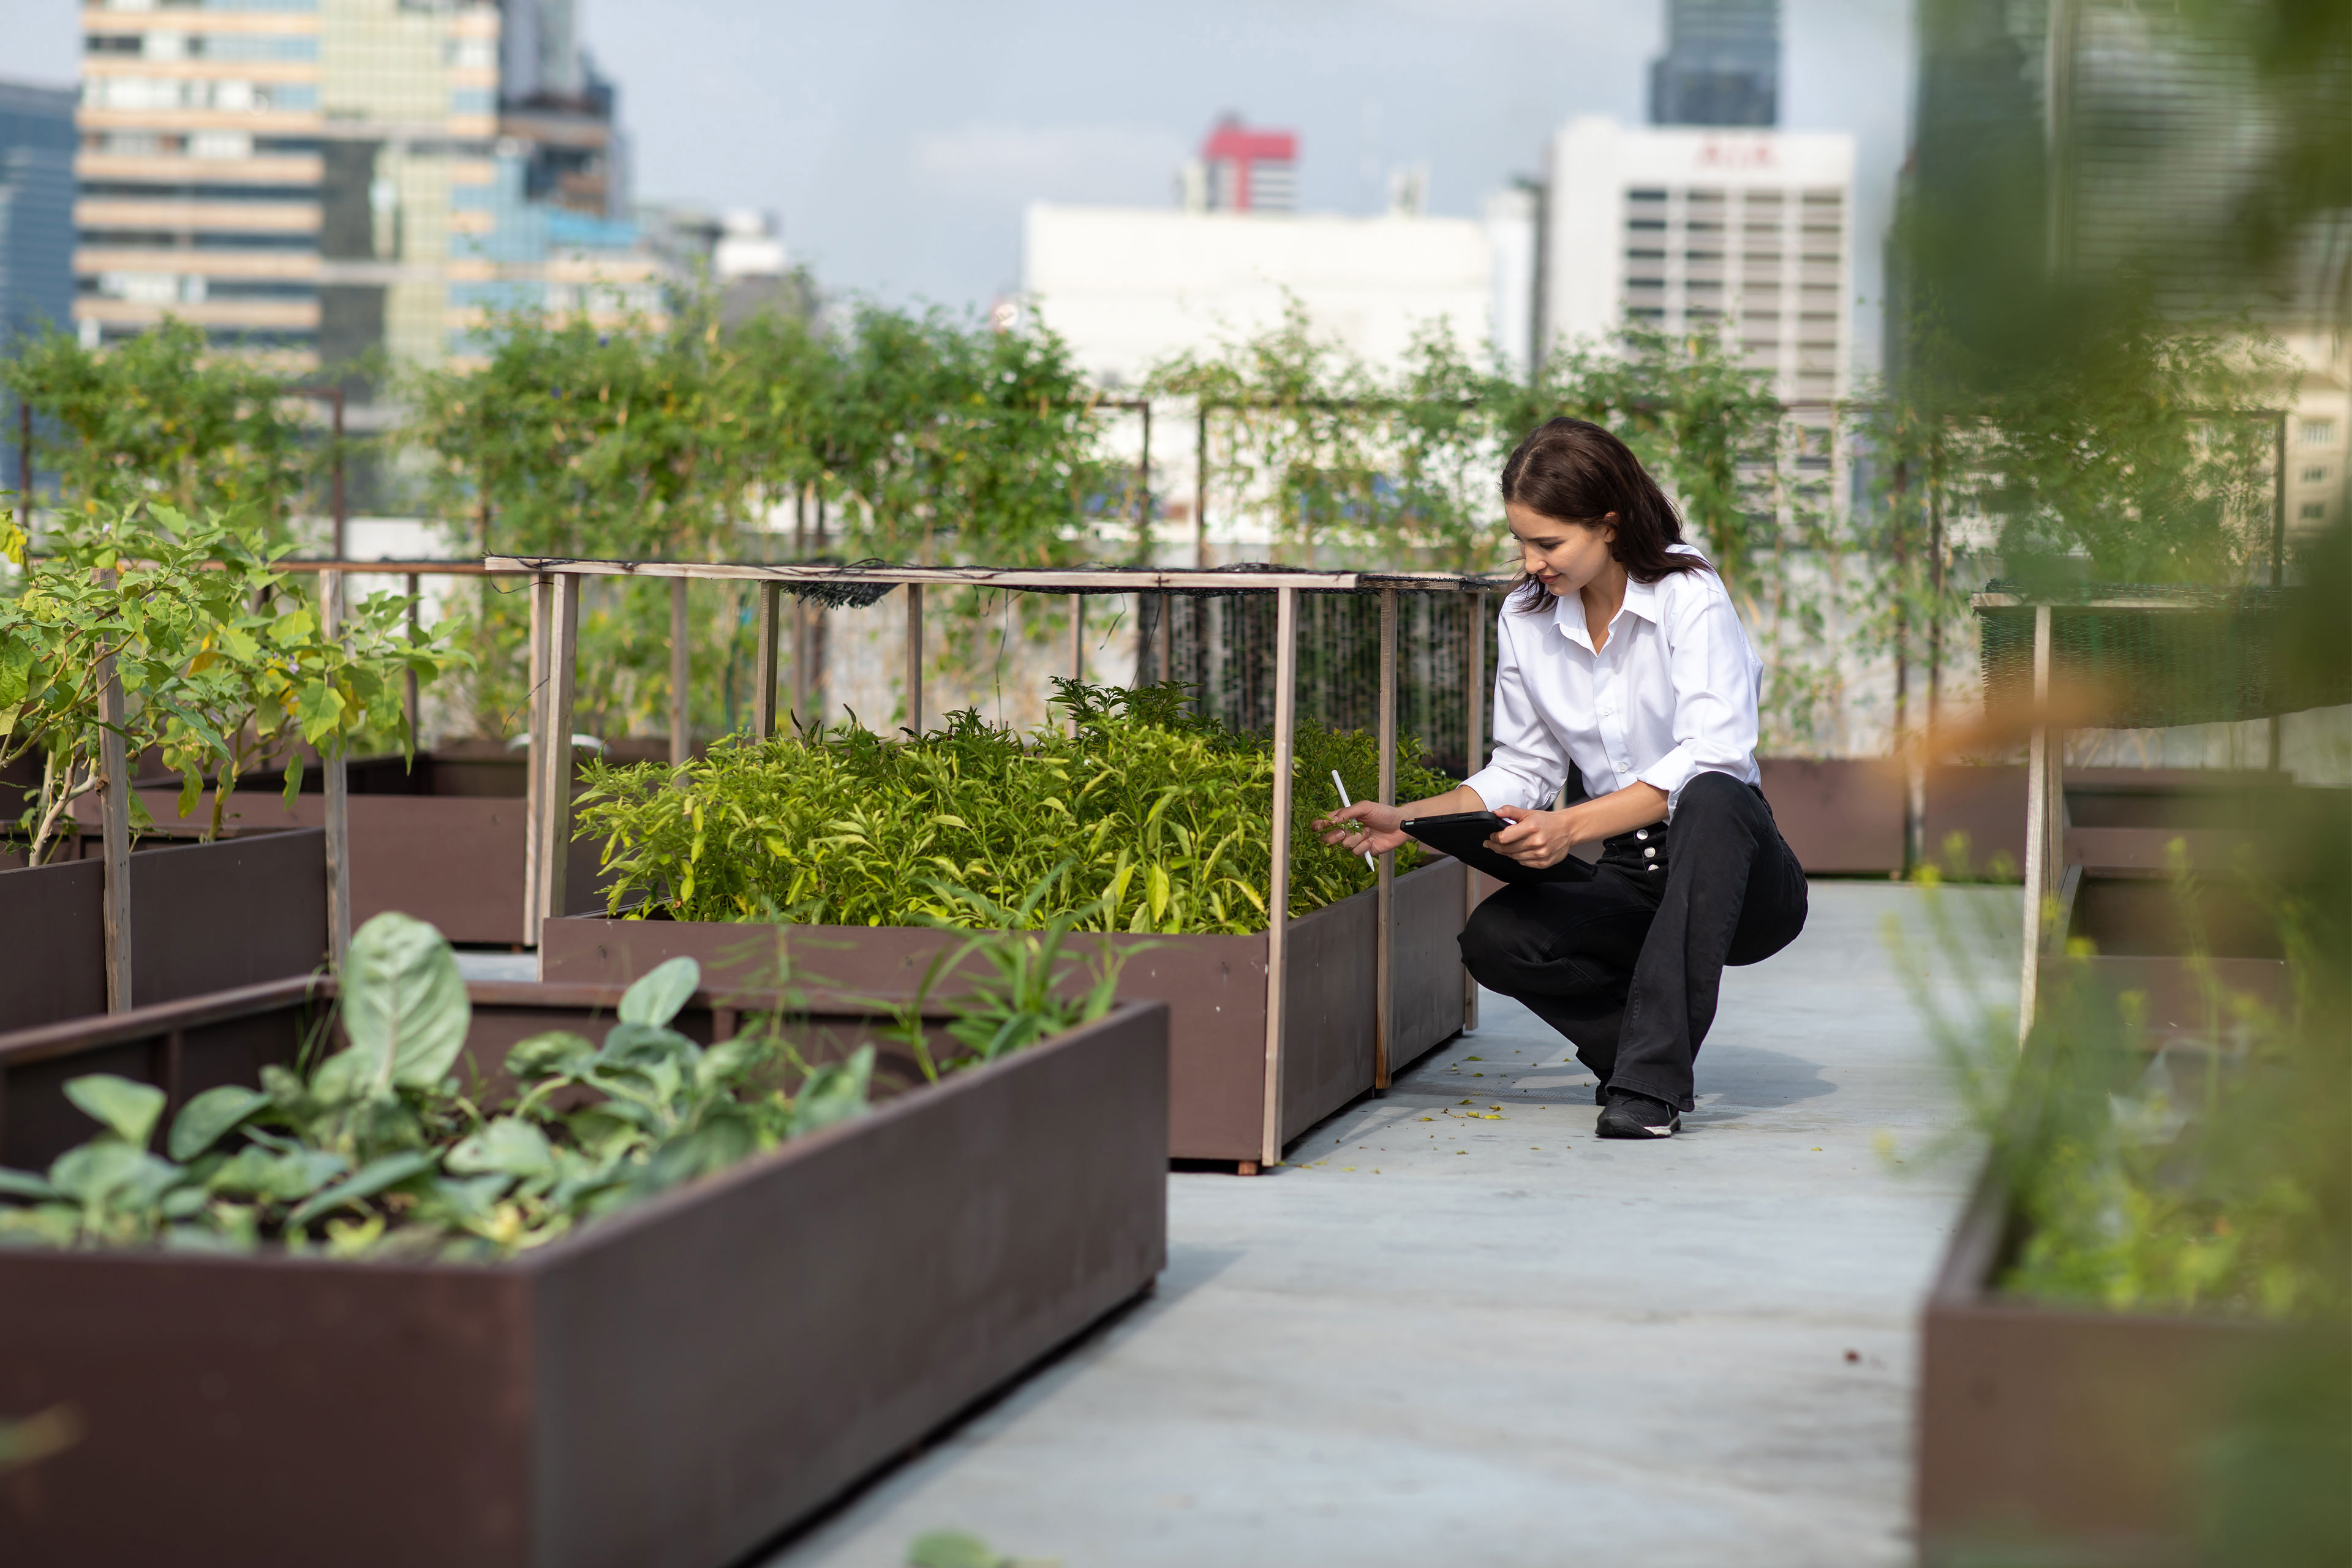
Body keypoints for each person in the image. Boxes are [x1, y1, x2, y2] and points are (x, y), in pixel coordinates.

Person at [1316, 417, 1807, 1139]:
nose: (1531, 561)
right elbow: (1523, 766)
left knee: (1710, 792)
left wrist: (1569, 826)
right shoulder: (1526, 616)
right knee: (1497, 940)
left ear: (1609, 524)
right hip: (1633, 868)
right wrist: (1410, 819)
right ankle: (1644, 1059)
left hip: (1736, 869)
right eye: (1521, 541)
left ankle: (1649, 1083)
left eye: (1548, 543)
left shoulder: (1688, 592)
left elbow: (1718, 752)